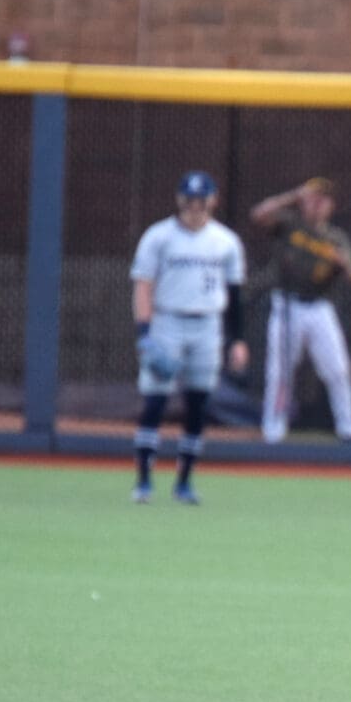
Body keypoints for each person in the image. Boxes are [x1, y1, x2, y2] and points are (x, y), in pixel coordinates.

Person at [128, 171, 249, 504]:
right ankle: (144, 481)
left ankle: (184, 483)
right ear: (180, 200)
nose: (195, 207)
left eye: (201, 200)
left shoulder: (225, 241)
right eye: (190, 200)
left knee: (197, 404)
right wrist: (144, 333)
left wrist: (237, 340)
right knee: (155, 401)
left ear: (212, 201)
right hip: (168, 320)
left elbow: (235, 294)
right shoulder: (159, 236)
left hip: (207, 324)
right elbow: (143, 285)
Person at [248, 176, 351, 443]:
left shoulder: (336, 238)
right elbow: (258, 215)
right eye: (313, 198)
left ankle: (348, 430)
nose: (317, 204)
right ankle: (273, 431)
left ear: (331, 206)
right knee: (280, 372)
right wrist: (293, 195)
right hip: (287, 304)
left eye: (323, 199)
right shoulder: (290, 224)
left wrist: (343, 262)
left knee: (338, 369)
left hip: (319, 307)